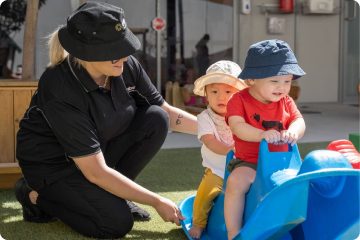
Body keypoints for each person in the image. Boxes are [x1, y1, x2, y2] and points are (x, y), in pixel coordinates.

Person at [14, 2, 197, 239]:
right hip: (54, 166)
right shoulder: (59, 86)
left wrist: (218, 129)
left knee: (156, 118)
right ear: (84, 51)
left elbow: (166, 112)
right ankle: (33, 196)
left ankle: (115, 195)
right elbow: (95, 171)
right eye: (114, 49)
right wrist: (157, 201)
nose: (124, 55)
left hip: (95, 152)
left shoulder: (124, 65)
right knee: (115, 223)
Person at [224, 39, 306, 240]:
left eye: (287, 81)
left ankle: (303, 226)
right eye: (275, 81)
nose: (282, 87)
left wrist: (294, 131)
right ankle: (234, 232)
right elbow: (237, 126)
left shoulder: (286, 101)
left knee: (305, 184)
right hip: (250, 162)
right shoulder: (239, 100)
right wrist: (260, 134)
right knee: (236, 182)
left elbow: (299, 121)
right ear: (251, 79)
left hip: (285, 163)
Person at [188, 61, 247, 239]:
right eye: (214, 91)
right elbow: (210, 141)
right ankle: (199, 221)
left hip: (244, 167)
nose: (221, 97)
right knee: (206, 193)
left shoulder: (244, 115)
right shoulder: (205, 118)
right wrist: (229, 149)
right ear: (206, 95)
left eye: (228, 92)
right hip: (218, 170)